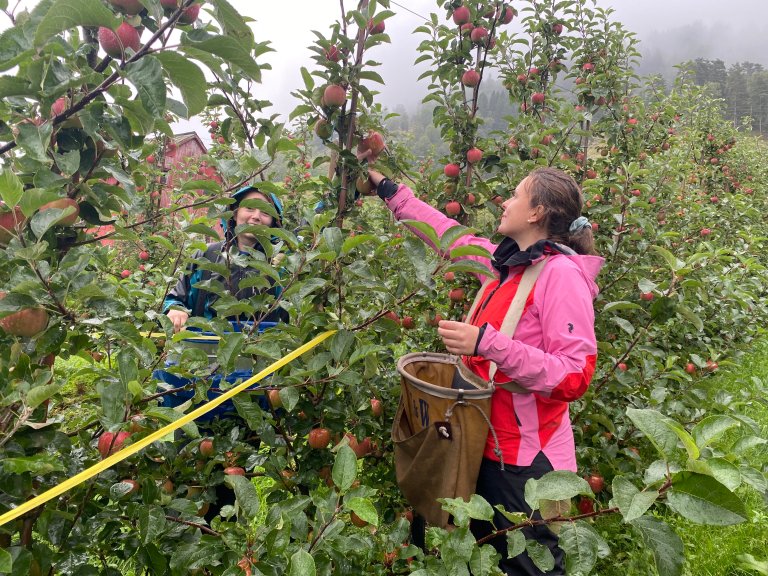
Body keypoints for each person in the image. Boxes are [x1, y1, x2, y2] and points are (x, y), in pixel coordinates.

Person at [364, 162, 603, 575]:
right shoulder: (504, 265)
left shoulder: (561, 275)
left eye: (515, 195)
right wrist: (389, 190)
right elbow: (444, 232)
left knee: (531, 566)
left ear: (536, 213)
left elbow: (574, 375)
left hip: (526, 458)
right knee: (482, 554)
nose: (505, 202)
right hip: (479, 442)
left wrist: (487, 344)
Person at [163, 185, 289, 331]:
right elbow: (176, 299)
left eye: (266, 212)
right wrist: (176, 310)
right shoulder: (206, 256)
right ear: (234, 214)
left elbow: (291, 317)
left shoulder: (279, 265)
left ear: (274, 223)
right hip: (206, 349)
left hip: (262, 350)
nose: (256, 216)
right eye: (250, 208)